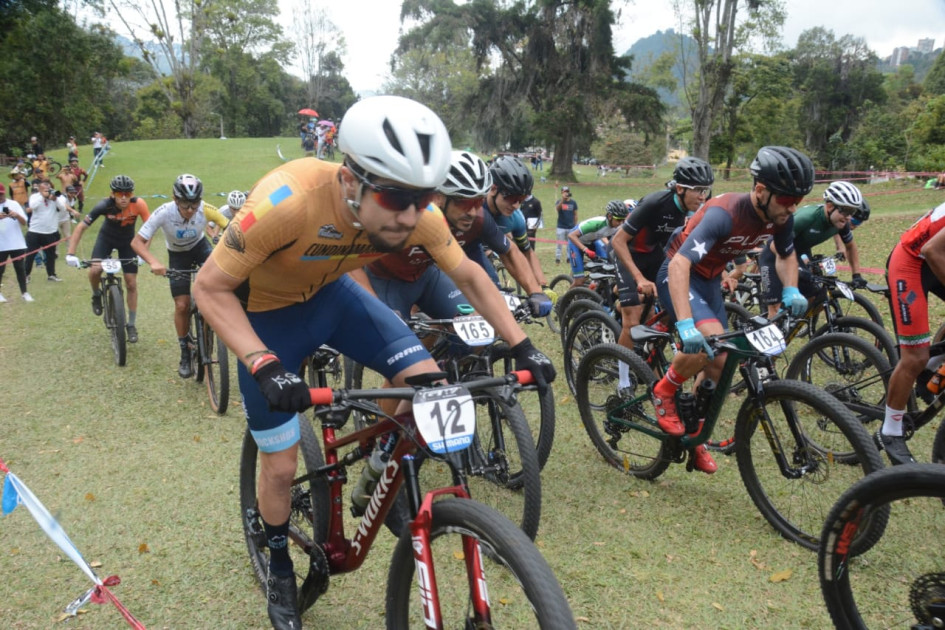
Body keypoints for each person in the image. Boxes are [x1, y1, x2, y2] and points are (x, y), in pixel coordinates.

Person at [191, 96, 555, 630]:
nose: (410, 215)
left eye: (424, 198)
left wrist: (522, 346)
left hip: (335, 300)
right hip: (266, 318)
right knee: (283, 465)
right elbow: (208, 287)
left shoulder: (419, 215)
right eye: (395, 197)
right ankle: (280, 565)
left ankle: (383, 467)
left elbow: (470, 276)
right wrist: (262, 362)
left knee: (430, 385)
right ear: (350, 180)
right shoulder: (288, 201)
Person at [651, 146, 814, 475]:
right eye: (787, 199)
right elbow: (680, 263)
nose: (793, 207)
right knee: (708, 342)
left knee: (720, 362)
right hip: (679, 273)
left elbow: (785, 254)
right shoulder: (724, 214)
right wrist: (685, 323)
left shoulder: (780, 216)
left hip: (710, 281)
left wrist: (791, 288)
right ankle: (664, 389)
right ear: (760, 190)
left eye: (798, 199)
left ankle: (695, 437)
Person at [351, 150, 552, 322]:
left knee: (479, 316)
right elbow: (354, 261)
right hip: (390, 277)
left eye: (478, 203)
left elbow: (512, 252)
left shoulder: (481, 218)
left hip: (437, 269)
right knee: (403, 330)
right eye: (463, 202)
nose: (472, 212)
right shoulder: (409, 217)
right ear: (438, 197)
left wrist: (536, 292)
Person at [612, 157, 715, 357]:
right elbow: (618, 241)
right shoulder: (655, 203)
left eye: (706, 190)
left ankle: (649, 350)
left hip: (653, 254)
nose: (703, 197)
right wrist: (639, 278)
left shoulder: (692, 211)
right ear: (680, 189)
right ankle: (623, 374)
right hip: (627, 252)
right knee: (632, 322)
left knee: (669, 306)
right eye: (698, 190)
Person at [132, 174, 228, 377]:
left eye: (195, 204)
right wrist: (153, 262)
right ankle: (185, 351)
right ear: (175, 199)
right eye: (185, 204)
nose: (191, 210)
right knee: (182, 305)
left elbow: (231, 227)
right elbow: (137, 242)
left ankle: (213, 324)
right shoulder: (164, 212)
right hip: (177, 255)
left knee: (217, 284)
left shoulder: (206, 209)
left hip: (200, 248)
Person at [880, 200, 945, 464]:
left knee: (923, 362)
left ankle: (930, 370)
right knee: (914, 357)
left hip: (936, 258)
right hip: (912, 262)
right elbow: (931, 249)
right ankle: (891, 430)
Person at [759, 180, 870, 318]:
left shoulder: (842, 223)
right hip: (773, 256)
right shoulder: (807, 218)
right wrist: (795, 267)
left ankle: (793, 325)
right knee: (775, 311)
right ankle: (772, 325)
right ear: (829, 206)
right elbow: (774, 244)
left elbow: (850, 246)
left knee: (817, 299)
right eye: (845, 211)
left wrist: (856, 275)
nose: (848, 217)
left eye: (852, 212)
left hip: (798, 253)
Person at [66, 175, 151, 342]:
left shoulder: (139, 204)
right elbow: (81, 227)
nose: (124, 198)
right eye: (120, 194)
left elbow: (150, 228)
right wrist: (71, 253)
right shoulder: (104, 205)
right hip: (106, 239)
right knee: (95, 270)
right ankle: (96, 294)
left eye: (128, 194)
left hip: (128, 242)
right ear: (112, 194)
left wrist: (144, 254)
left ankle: (131, 324)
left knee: (131, 283)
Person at [485, 156, 549, 288]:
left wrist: (543, 286)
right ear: (493, 189)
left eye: (521, 199)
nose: (516, 205)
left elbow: (528, 252)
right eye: (512, 198)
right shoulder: (474, 207)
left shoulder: (516, 218)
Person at [566, 200, 628, 287]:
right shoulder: (596, 223)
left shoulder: (618, 225)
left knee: (606, 265)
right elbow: (571, 236)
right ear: (610, 216)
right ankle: (567, 295)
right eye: (618, 220)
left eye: (623, 220)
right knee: (579, 281)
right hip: (576, 241)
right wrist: (585, 249)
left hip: (593, 240)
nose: (621, 223)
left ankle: (594, 289)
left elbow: (606, 236)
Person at [24, 181, 65, 282]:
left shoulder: (56, 197)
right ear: (39, 189)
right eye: (45, 190)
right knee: (30, 255)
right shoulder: (35, 197)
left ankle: (51, 275)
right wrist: (43, 197)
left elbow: (63, 208)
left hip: (50, 232)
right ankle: (26, 275)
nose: (47, 191)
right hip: (35, 231)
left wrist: (55, 199)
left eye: (48, 189)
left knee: (51, 256)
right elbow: (32, 206)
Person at [0, 187, 33, 302]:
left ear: (4, 193)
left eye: (1, 194)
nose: (0, 197)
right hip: (1, 244)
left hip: (16, 243)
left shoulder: (14, 204)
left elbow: (24, 222)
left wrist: (16, 215)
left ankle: (25, 293)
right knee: (0, 270)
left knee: (20, 269)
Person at [555, 185, 577, 264]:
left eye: (567, 192)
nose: (566, 193)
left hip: (570, 227)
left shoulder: (573, 202)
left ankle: (569, 258)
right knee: (559, 244)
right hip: (561, 226)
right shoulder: (559, 201)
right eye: (564, 192)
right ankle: (558, 258)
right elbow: (557, 209)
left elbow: (575, 214)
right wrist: (563, 200)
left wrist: (575, 225)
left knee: (569, 244)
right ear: (561, 193)